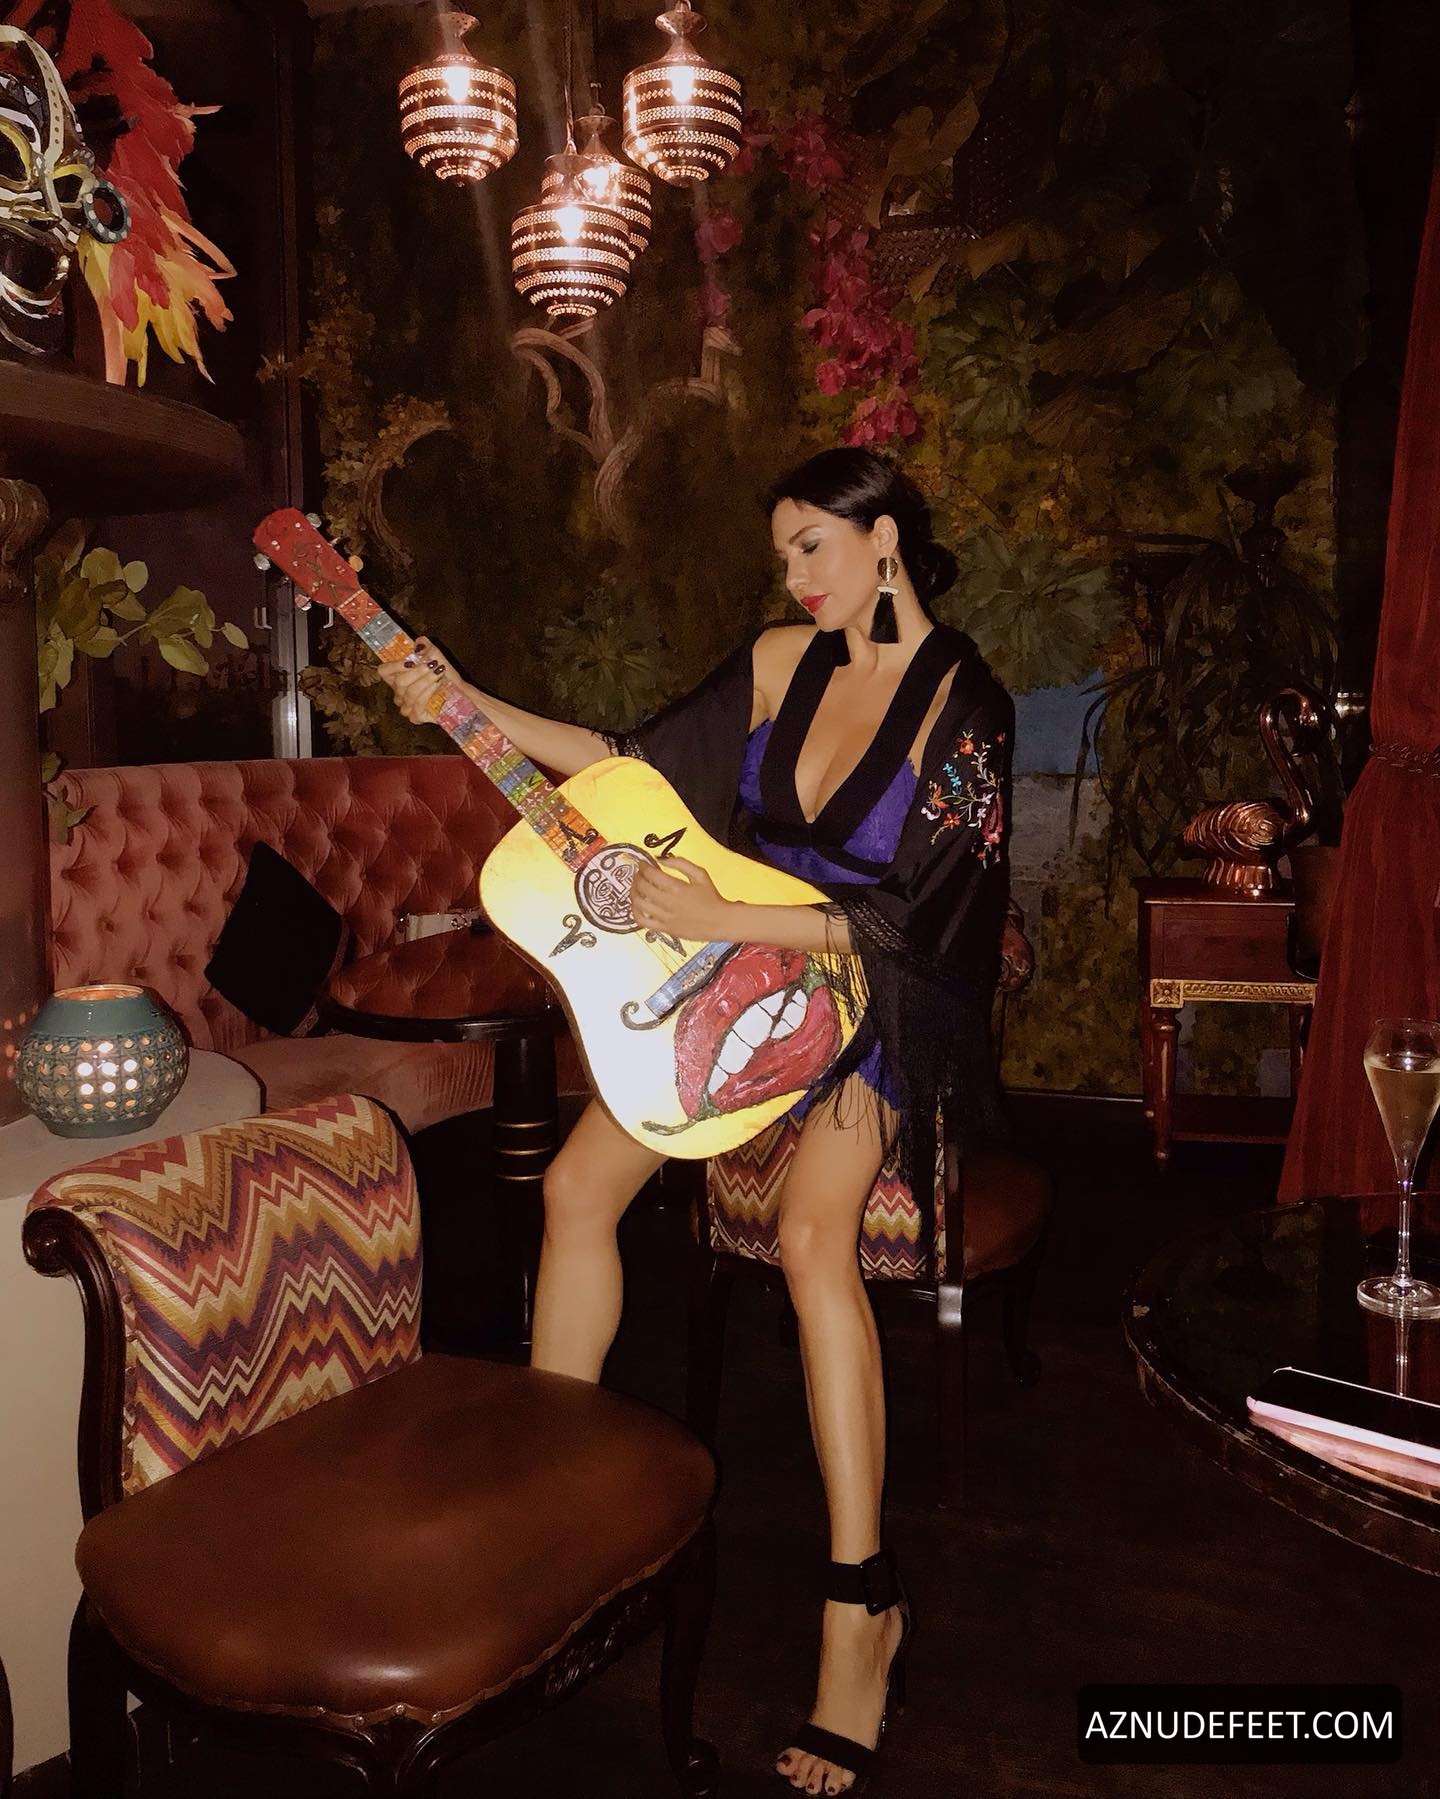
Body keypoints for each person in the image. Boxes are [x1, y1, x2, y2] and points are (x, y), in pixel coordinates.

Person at [378, 447, 1013, 1797]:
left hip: (875, 1002)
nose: (793, 577)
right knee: (574, 1190)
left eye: (811, 547)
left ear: (884, 539)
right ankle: (560, 1513)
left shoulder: (969, 702)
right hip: (727, 981)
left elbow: (929, 918)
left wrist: (719, 913)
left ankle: (863, 1609)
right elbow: (629, 762)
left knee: (814, 1238)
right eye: (783, 554)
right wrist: (462, 700)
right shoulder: (784, 661)